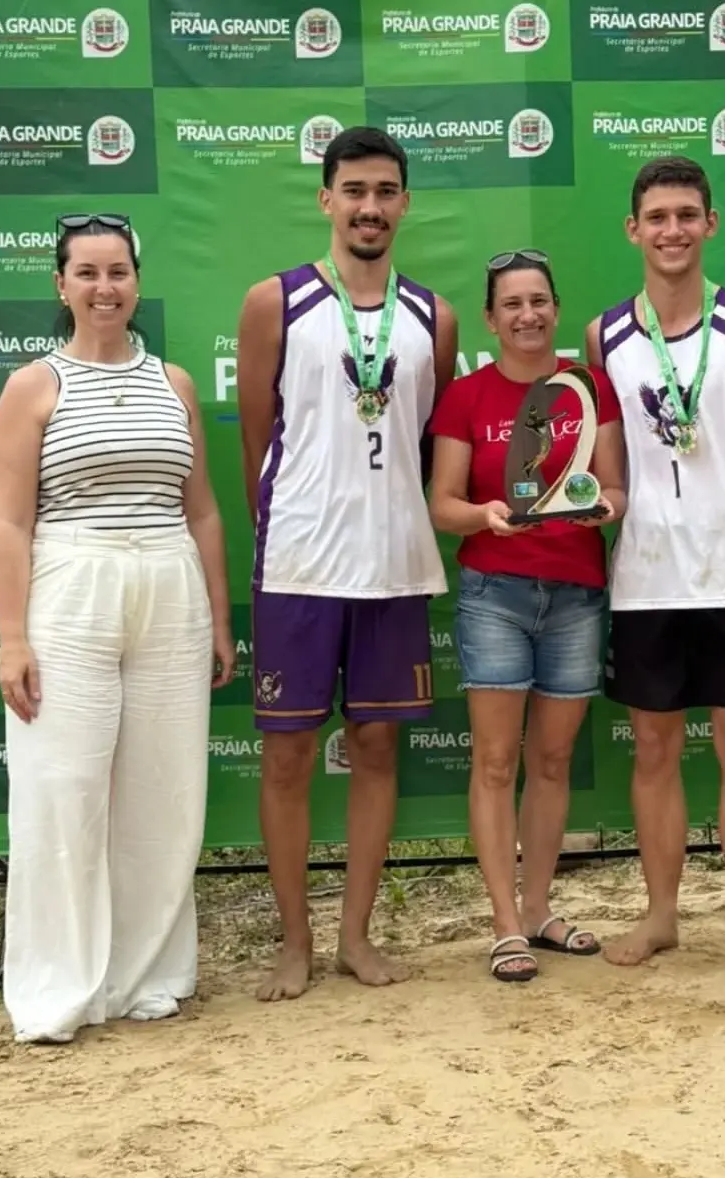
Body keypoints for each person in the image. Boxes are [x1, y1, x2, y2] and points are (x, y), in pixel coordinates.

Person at [0, 213, 234, 1045]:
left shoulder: (176, 382)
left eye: (118, 272)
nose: (104, 288)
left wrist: (220, 618)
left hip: (170, 586)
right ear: (61, 285)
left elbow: (201, 510)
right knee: (64, 792)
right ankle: (60, 988)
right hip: (71, 585)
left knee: (163, 794)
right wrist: (12, 639)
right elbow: (9, 526)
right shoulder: (32, 386)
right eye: (86, 273)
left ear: (137, 282)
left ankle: (147, 977)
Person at [236, 126, 459, 999]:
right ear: (326, 199)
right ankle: (294, 941)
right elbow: (262, 436)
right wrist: (299, 513)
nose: (371, 207)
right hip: (296, 565)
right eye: (354, 190)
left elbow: (424, 442)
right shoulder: (274, 302)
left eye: (387, 191)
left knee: (375, 749)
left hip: (395, 566)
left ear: (405, 203)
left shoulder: (430, 317)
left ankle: (354, 937)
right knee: (287, 758)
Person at [586, 156, 725, 980]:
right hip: (645, 576)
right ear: (633, 229)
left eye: (688, 213)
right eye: (657, 215)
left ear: (711, 224)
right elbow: (605, 467)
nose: (672, 228)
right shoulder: (603, 336)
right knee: (652, 749)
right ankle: (662, 914)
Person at [428, 250, 627, 982]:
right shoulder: (465, 397)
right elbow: (441, 505)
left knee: (549, 762)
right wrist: (483, 514)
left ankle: (539, 909)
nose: (528, 315)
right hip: (493, 593)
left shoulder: (587, 385)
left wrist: (604, 507)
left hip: (575, 591)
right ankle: (504, 924)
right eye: (511, 304)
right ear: (490, 318)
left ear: (555, 306)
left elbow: (616, 491)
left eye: (539, 300)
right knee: (496, 761)